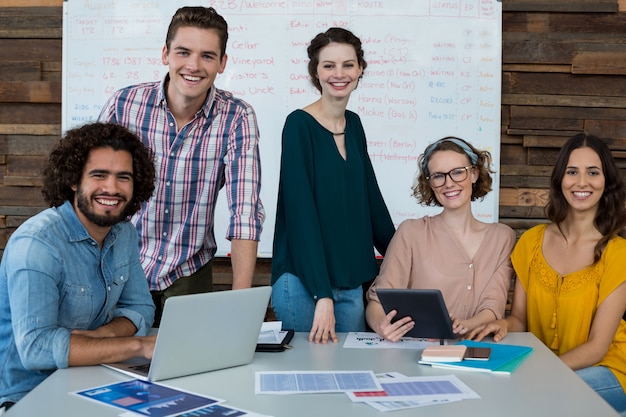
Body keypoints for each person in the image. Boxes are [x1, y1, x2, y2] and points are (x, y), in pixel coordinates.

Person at [98, 6, 265, 326]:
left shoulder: (237, 117)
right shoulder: (125, 104)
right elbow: (91, 187)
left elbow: (244, 209)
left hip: (189, 271)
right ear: (165, 54)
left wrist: (241, 301)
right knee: (114, 364)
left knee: (187, 370)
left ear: (222, 63)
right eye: (183, 52)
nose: (193, 65)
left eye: (207, 56)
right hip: (120, 265)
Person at [0, 122, 157, 412]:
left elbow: (140, 308)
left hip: (95, 378)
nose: (111, 188)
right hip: (28, 396)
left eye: (123, 177)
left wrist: (98, 338)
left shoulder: (124, 233)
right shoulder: (37, 245)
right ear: (74, 180)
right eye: (99, 175)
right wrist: (139, 346)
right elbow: (36, 349)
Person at [469, 133, 626, 413]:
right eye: (572, 172)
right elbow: (520, 318)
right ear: (560, 180)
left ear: (606, 182)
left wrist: (541, 374)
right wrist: (503, 325)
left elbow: (598, 347)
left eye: (593, 172)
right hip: (544, 368)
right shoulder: (531, 241)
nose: (581, 182)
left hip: (608, 370)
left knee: (544, 399)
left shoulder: (618, 253)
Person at [271, 27, 396, 344]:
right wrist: (321, 295)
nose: (339, 74)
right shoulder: (298, 125)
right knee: (309, 381)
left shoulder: (354, 124)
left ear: (360, 69)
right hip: (303, 283)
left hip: (351, 281)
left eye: (347, 64)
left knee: (348, 381)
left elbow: (372, 204)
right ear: (315, 71)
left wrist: (404, 257)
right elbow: (301, 216)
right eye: (328, 65)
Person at [366, 136, 516, 342]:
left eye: (457, 172)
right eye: (438, 176)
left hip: (474, 348)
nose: (449, 183)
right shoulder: (411, 232)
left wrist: (464, 326)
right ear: (430, 183)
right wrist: (381, 326)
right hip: (416, 350)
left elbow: (493, 305)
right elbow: (377, 302)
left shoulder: (502, 237)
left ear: (473, 174)